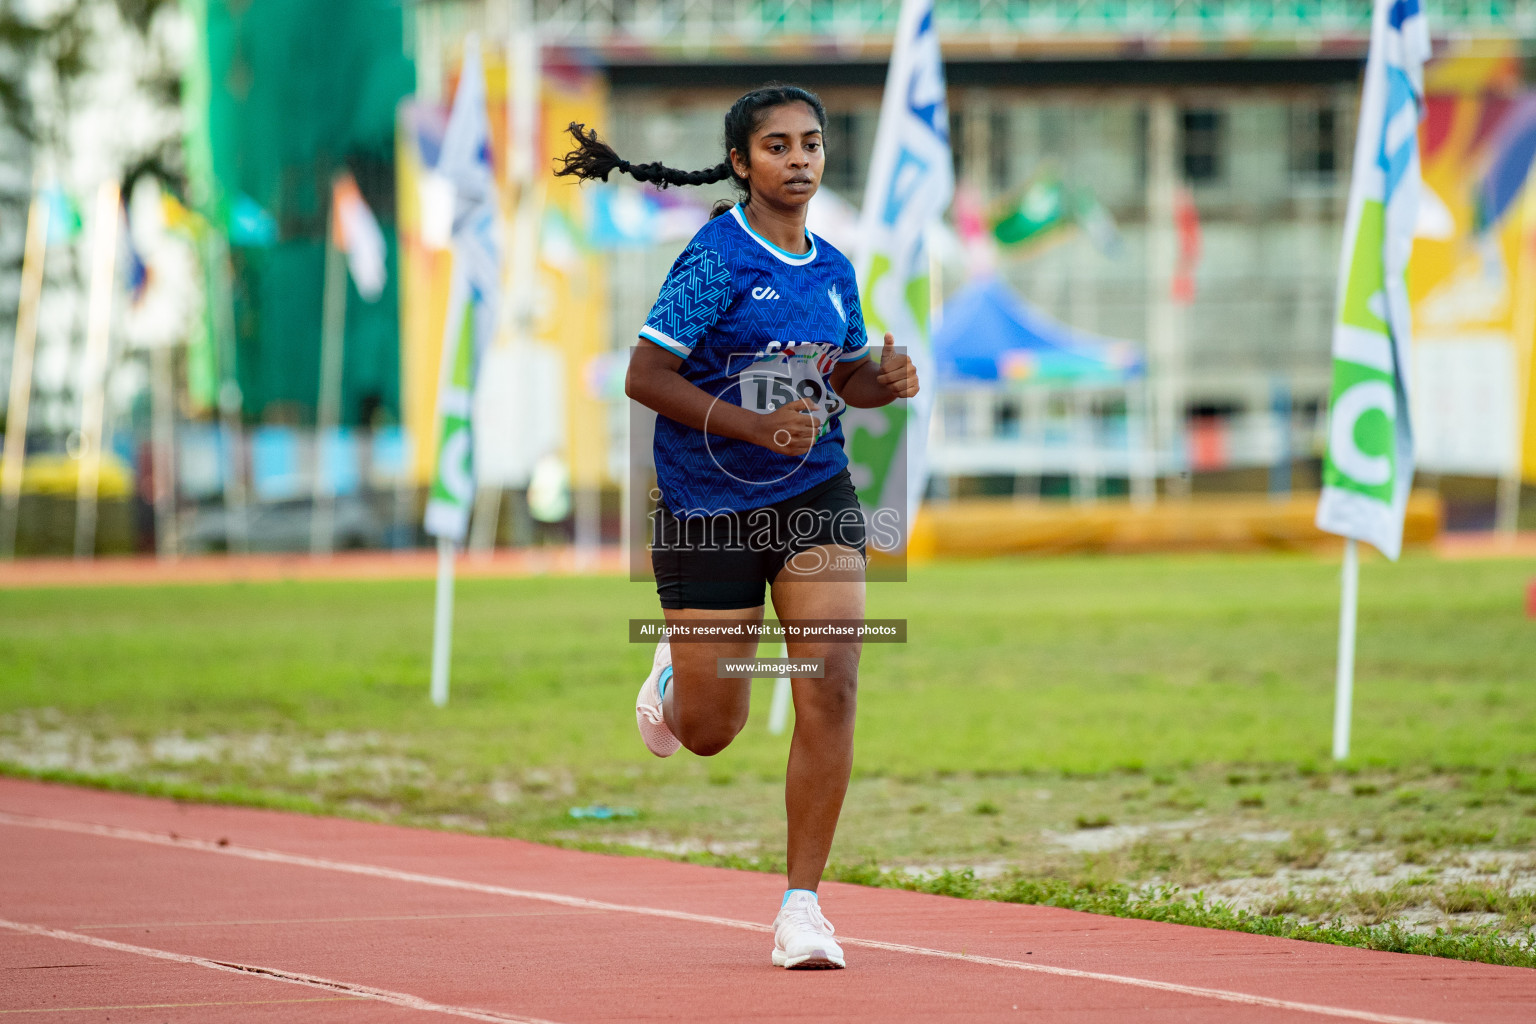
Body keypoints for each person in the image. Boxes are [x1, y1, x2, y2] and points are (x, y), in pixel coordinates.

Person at [555, 84, 918, 970]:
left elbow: (841, 380)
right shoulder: (715, 260)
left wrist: (883, 380)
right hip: (706, 507)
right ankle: (675, 680)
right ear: (742, 164)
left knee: (829, 675)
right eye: (779, 147)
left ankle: (803, 908)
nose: (800, 160)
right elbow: (645, 376)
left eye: (812, 144)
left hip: (813, 492)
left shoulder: (834, 269)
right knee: (712, 728)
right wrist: (752, 424)